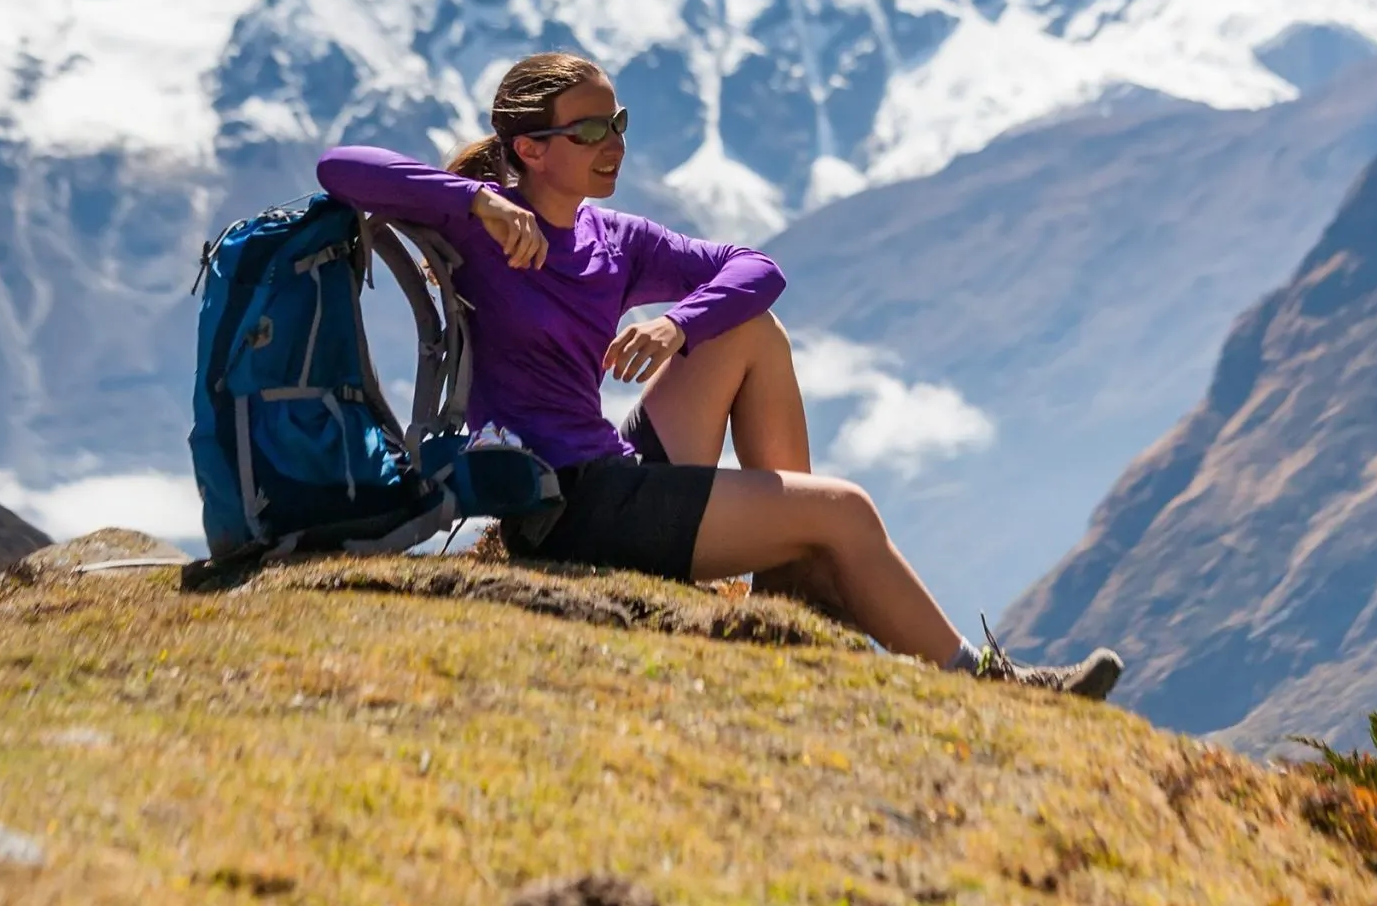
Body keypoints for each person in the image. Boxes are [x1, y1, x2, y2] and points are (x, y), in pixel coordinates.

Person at [315, 50, 1123, 699]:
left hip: (613, 470)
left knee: (750, 331)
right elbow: (340, 166)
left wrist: (677, 323)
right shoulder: (482, 224)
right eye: (590, 129)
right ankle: (992, 686)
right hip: (566, 505)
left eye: (618, 121)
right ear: (530, 148)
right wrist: (472, 201)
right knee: (847, 510)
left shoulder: (611, 237)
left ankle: (788, 578)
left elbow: (757, 268)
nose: (614, 145)